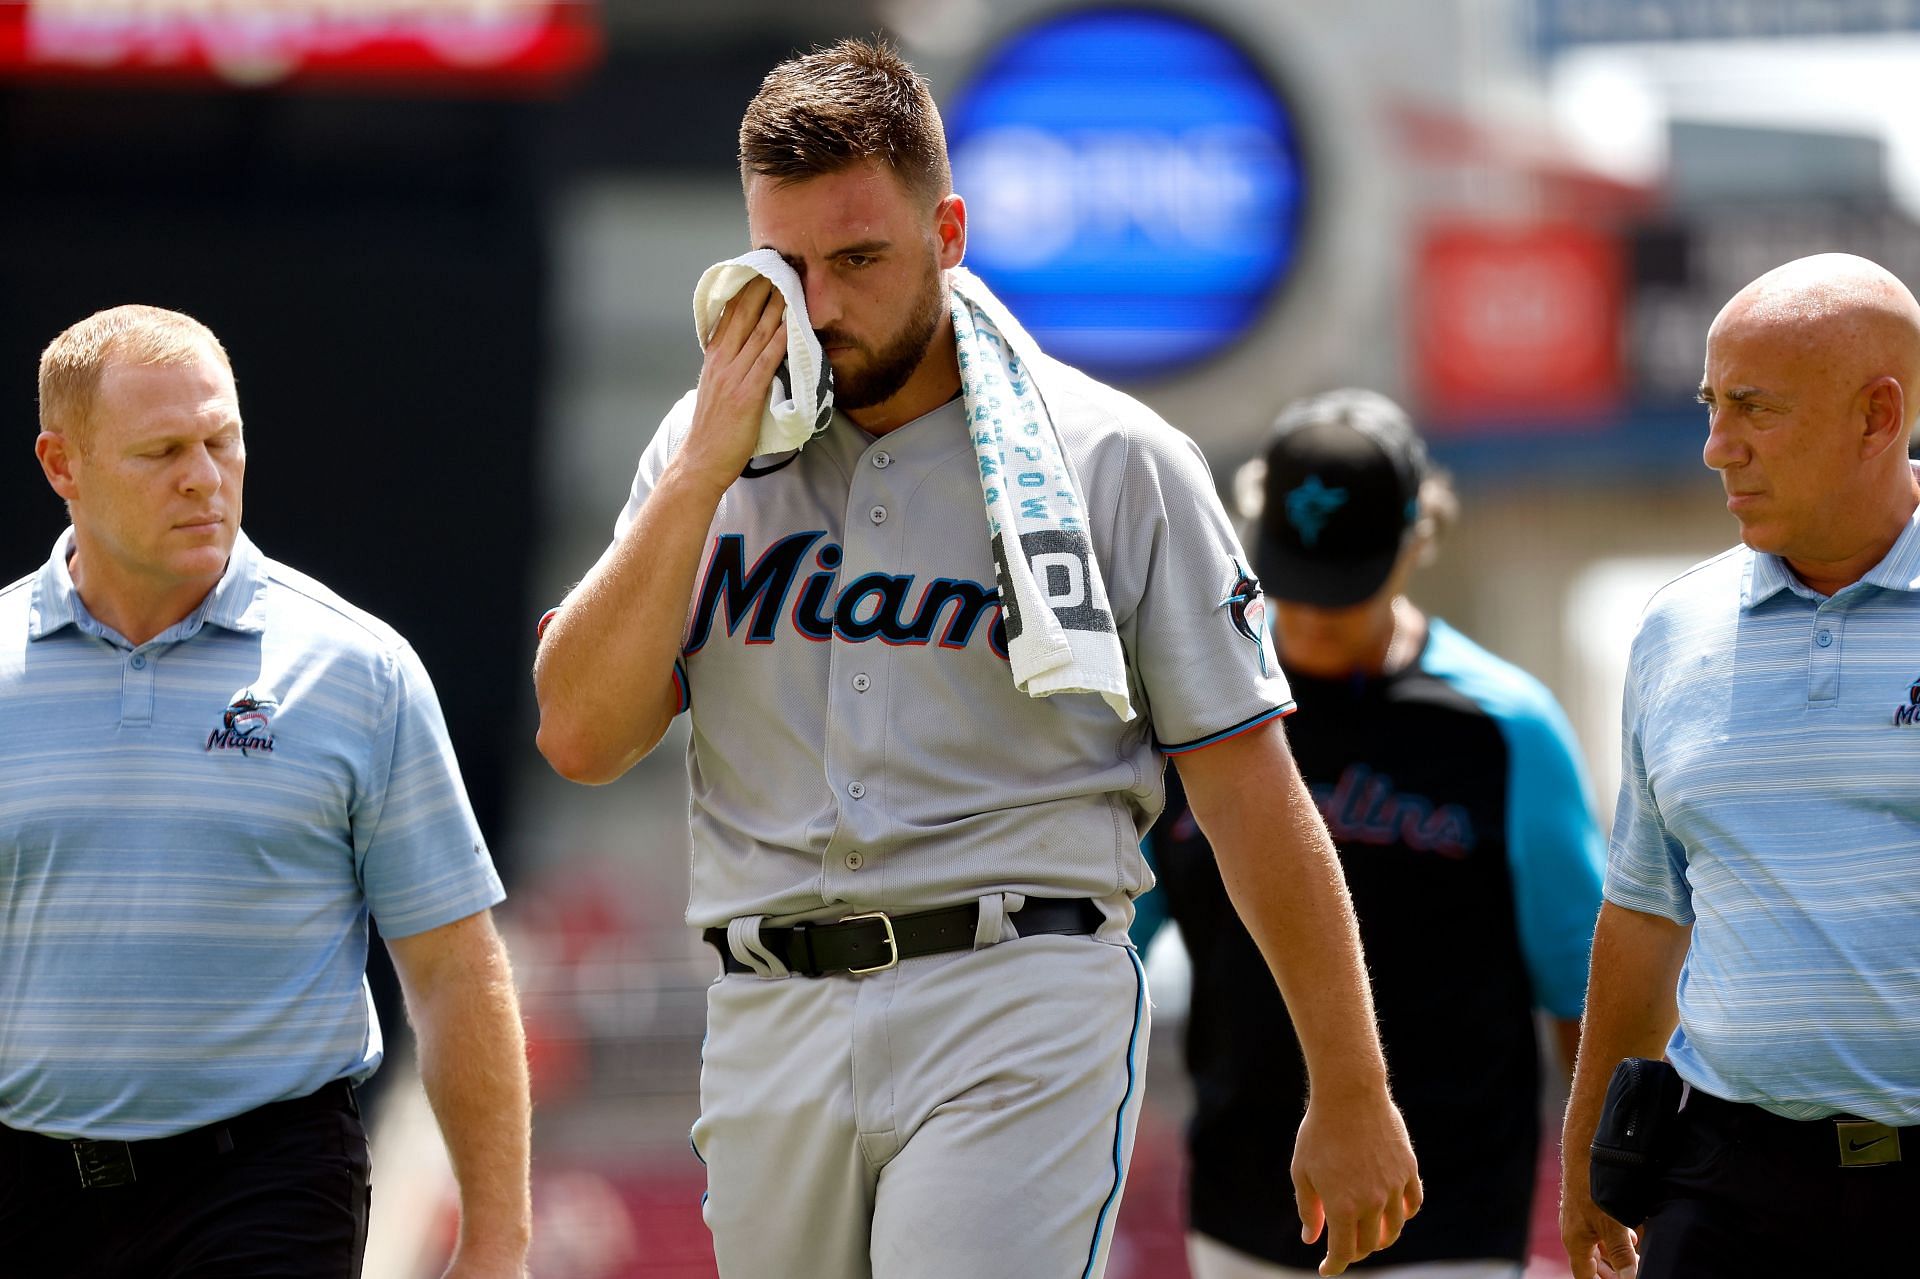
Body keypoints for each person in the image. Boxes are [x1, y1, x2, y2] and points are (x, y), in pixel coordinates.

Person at [533, 38, 1419, 1279]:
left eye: (859, 259)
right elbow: (581, 735)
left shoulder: (1115, 457)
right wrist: (694, 476)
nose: (823, 305)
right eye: (785, 269)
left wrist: (1352, 1083)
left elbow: (1249, 795)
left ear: (948, 230)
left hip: (1013, 989)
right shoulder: (708, 455)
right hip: (768, 1001)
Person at [0, 304, 532, 1278]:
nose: (203, 476)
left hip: (266, 1183)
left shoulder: (358, 668)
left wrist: (496, 1246)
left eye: (220, 440)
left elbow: (456, 973)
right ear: (61, 464)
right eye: (161, 449)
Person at [1135, 390, 1604, 1279]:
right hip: (1239, 1206)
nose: (1312, 615)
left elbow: (1583, 986)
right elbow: (1110, 934)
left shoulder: (1504, 727)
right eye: (1295, 577)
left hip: (1451, 1217)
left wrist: (1601, 1171)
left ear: (1415, 539)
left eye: (1343, 582)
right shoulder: (1194, 713)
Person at [1560, 252, 1920, 1279]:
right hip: (1727, 1184)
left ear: (1877, 413)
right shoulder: (1676, 626)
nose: (1719, 449)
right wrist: (1586, 1144)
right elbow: (1642, 912)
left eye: (1755, 408)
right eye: (1713, 405)